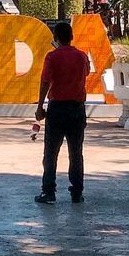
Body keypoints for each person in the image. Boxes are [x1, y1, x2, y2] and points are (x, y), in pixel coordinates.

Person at [34, 20, 90, 205]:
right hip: (77, 109)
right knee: (76, 152)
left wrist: (40, 106)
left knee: (51, 153)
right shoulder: (82, 56)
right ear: (72, 37)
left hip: (57, 108)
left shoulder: (52, 57)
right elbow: (86, 73)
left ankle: (49, 192)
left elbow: (45, 82)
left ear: (56, 38)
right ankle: (77, 192)